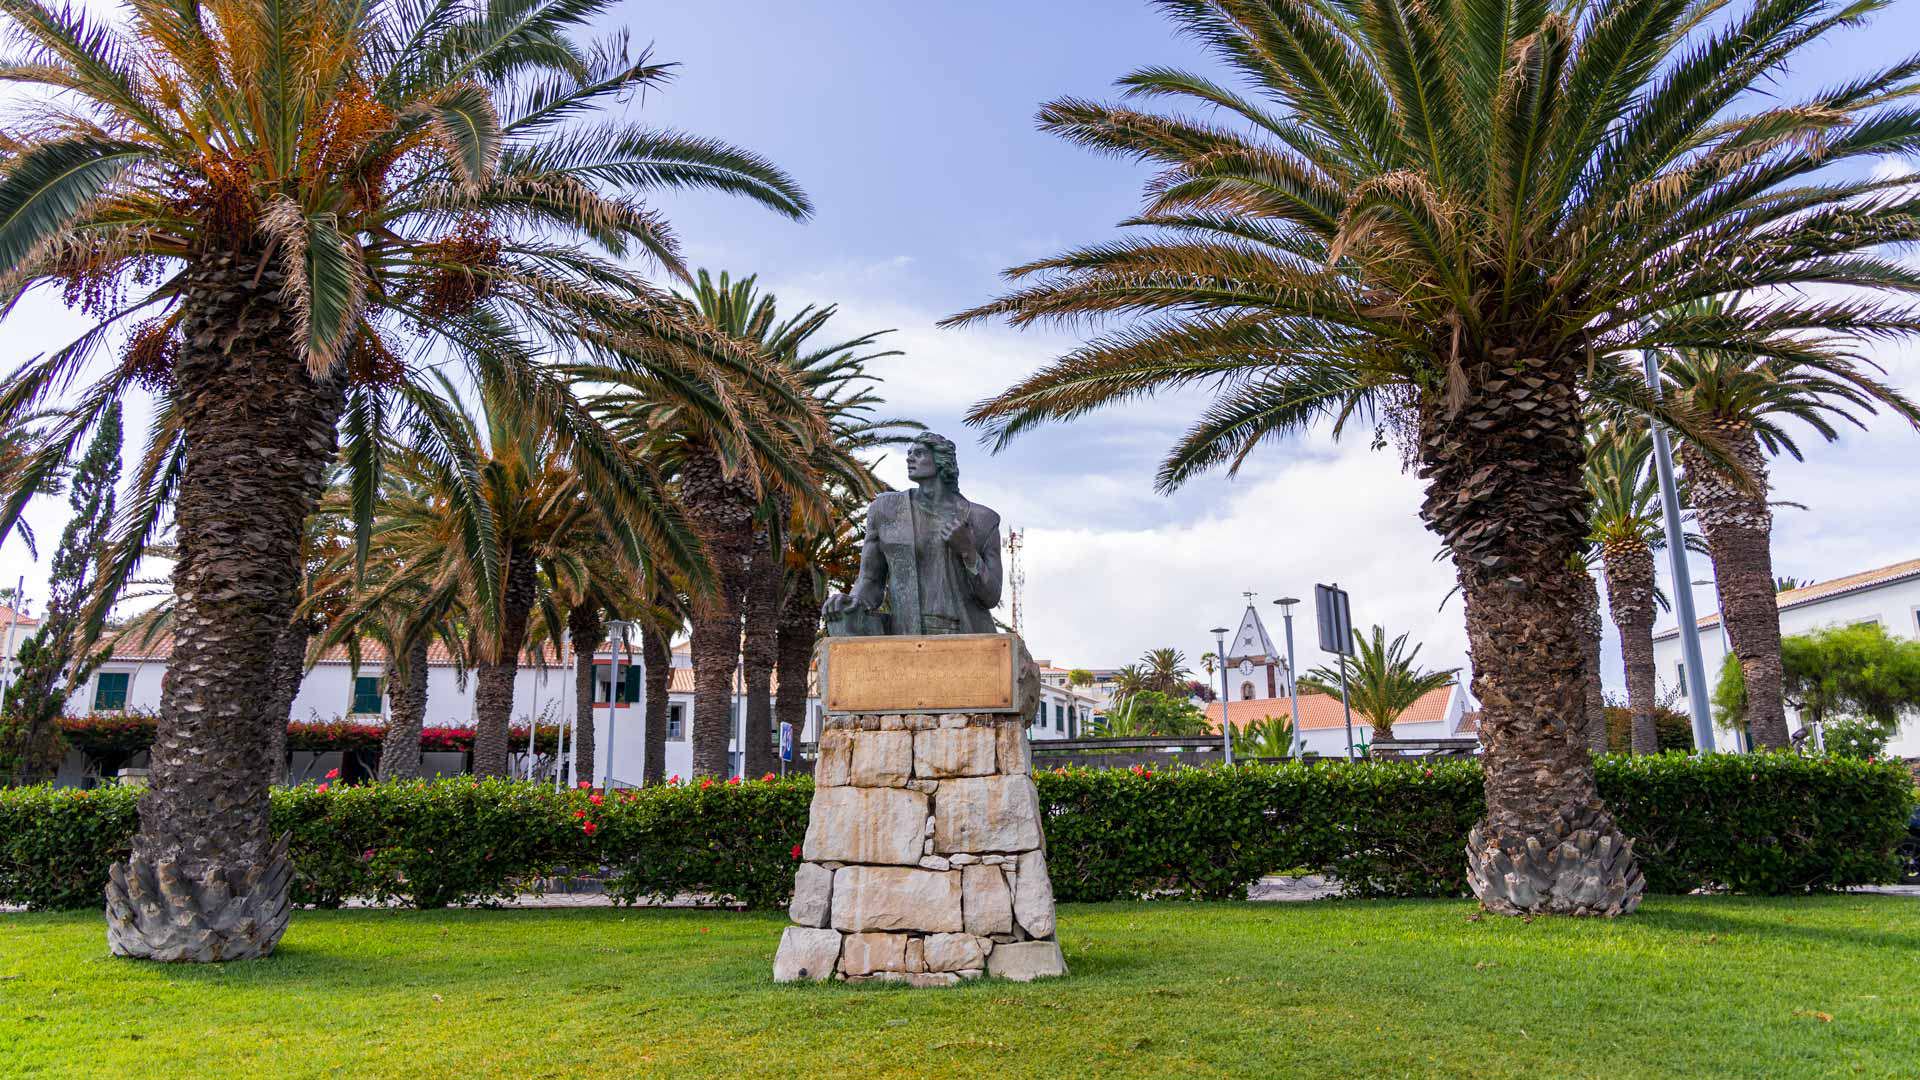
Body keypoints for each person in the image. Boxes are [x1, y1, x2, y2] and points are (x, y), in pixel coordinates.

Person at [825, 432, 1002, 635]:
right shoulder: (886, 510)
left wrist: (968, 552)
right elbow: (871, 580)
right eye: (909, 453)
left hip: (967, 636)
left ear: (941, 461)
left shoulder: (982, 520)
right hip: (907, 635)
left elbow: (992, 596)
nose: (909, 458)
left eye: (919, 453)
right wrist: (852, 601)